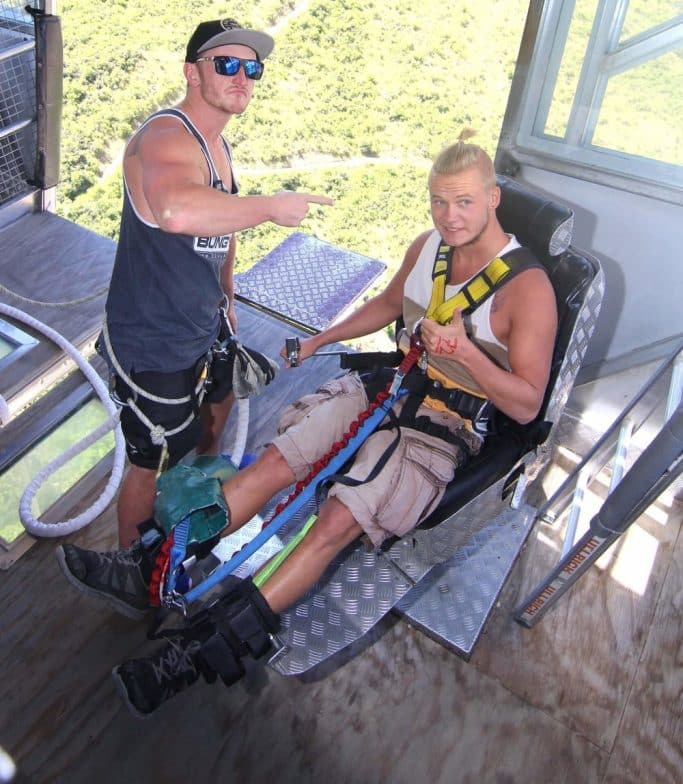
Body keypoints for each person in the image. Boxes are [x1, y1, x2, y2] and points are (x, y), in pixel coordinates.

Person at [58, 141, 558, 717]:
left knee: (337, 519)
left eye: (464, 202)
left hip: (446, 424)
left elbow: (527, 406)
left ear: (493, 199)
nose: (449, 216)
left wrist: (467, 354)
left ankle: (194, 654)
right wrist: (322, 339)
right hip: (390, 386)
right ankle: (150, 564)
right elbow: (390, 304)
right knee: (278, 461)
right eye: (439, 202)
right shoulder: (430, 249)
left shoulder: (528, 290)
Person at [97, 17, 333, 546]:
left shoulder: (216, 146)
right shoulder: (164, 136)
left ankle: (196, 494)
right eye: (226, 64)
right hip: (154, 338)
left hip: (204, 322)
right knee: (150, 460)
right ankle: (132, 565)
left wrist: (227, 297)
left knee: (217, 404)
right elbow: (177, 211)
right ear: (192, 72)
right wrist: (270, 207)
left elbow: (220, 227)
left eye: (252, 68)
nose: (241, 77)